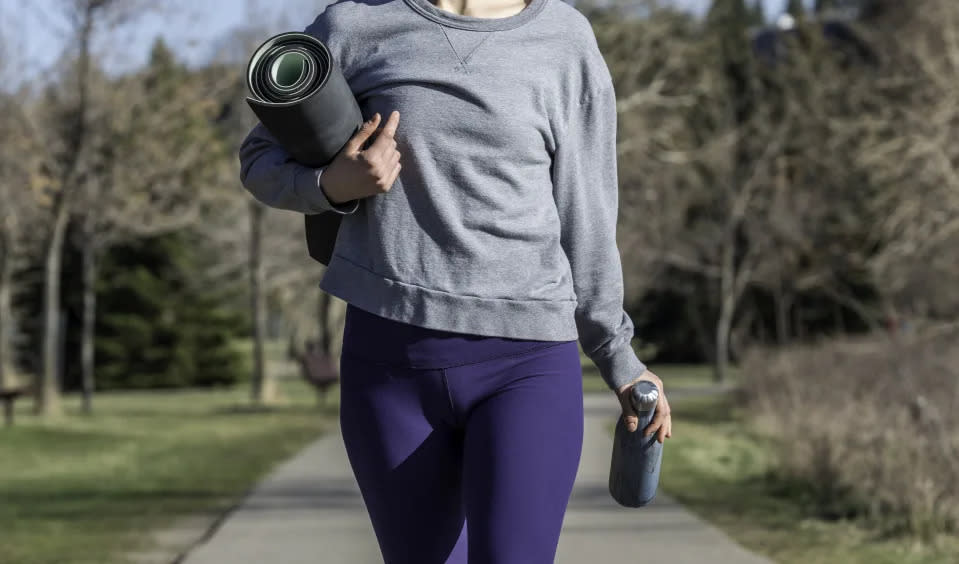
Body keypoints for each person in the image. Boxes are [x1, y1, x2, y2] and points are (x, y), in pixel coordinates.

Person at [237, 0, 672, 561]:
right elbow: (259, 159)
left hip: (527, 364)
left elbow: (586, 212)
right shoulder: (355, 24)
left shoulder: (564, 38)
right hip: (389, 364)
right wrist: (333, 184)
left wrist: (619, 356)